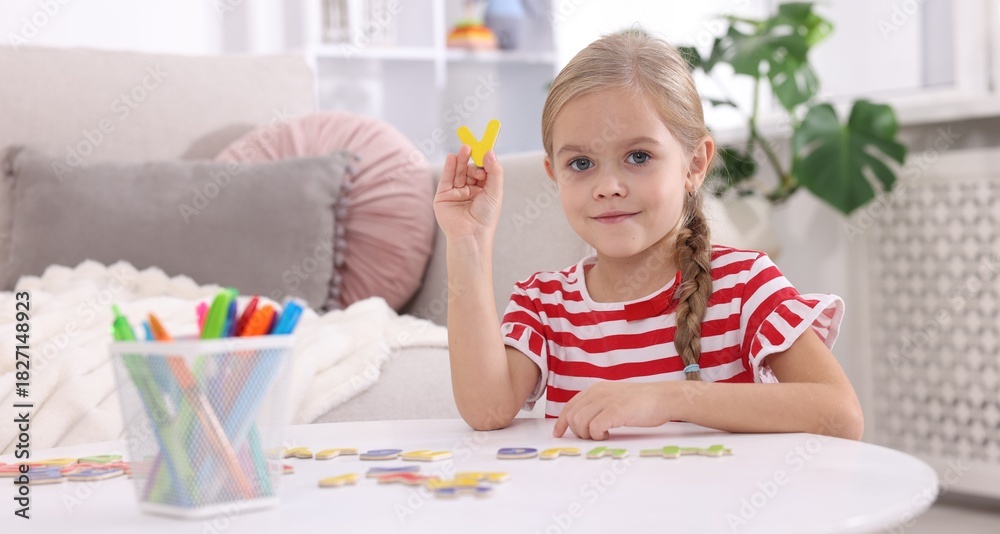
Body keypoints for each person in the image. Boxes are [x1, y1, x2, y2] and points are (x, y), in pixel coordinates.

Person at [432, 29, 864, 441]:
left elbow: (840, 416)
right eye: (581, 164)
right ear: (554, 175)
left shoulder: (744, 286)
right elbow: (487, 412)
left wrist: (669, 398)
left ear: (695, 164)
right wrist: (468, 242)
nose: (608, 187)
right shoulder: (543, 305)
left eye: (638, 156)